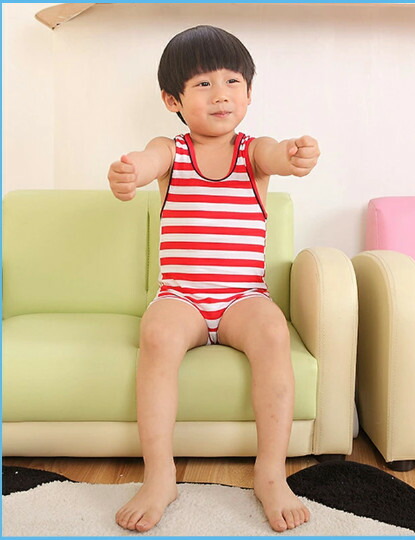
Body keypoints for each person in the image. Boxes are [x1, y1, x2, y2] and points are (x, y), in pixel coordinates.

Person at [108, 24, 320, 533]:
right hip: (181, 296)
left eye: (232, 81)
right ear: (172, 100)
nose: (220, 93)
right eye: (203, 84)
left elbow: (277, 156)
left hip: (242, 296)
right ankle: (160, 475)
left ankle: (270, 473)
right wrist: (131, 172)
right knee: (157, 333)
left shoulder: (253, 151)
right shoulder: (172, 150)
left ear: (248, 92)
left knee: (272, 332)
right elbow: (148, 161)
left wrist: (295, 155)